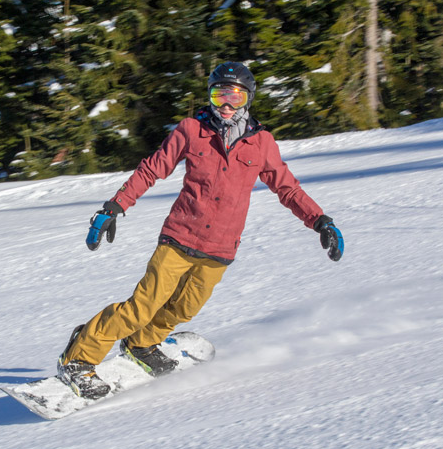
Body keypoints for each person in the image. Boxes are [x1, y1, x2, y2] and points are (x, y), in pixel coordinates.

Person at [56, 61, 344, 399]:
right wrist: (115, 206)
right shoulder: (192, 129)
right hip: (180, 237)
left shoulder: (262, 143)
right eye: (218, 94)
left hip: (220, 248)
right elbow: (152, 169)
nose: (225, 104)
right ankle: (79, 357)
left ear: (247, 99)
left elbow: (288, 189)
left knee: (183, 309)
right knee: (142, 306)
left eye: (233, 96)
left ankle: (142, 343)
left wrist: (319, 220)